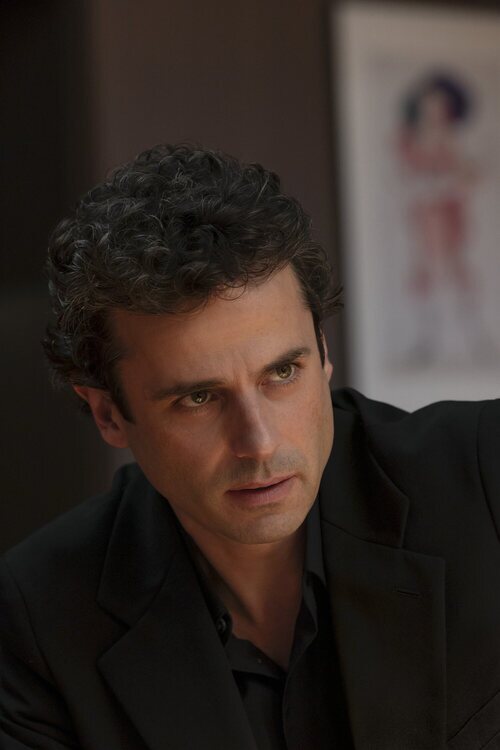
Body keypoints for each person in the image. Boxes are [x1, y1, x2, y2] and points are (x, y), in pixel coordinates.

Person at [1, 144, 499, 750]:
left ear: (322, 352)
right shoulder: (38, 617)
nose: (259, 442)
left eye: (282, 373)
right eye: (199, 398)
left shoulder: (485, 478)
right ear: (108, 414)